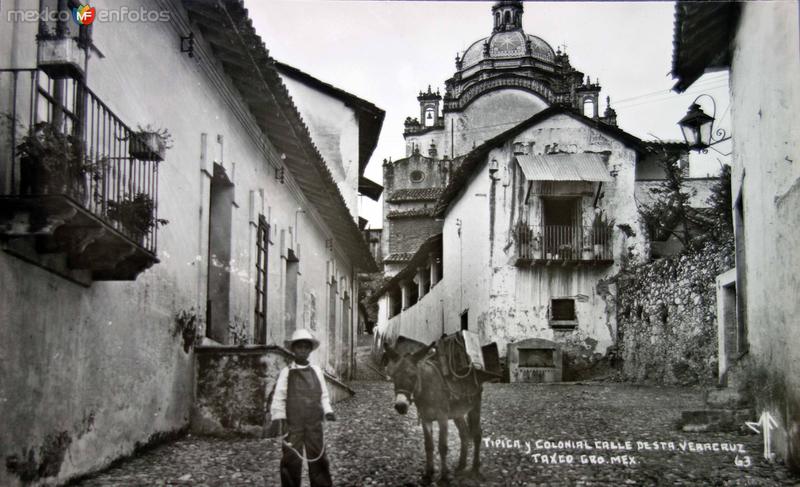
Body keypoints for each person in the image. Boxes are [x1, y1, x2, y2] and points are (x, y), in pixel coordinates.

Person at [270, 329, 336, 487]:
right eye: (299, 347)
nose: (303, 350)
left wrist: (328, 411)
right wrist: (280, 418)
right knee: (291, 457)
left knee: (318, 456)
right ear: (293, 349)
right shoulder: (287, 372)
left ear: (310, 350)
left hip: (314, 422)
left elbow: (323, 395)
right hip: (294, 423)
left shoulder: (317, 371)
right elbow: (279, 396)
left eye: (306, 347)